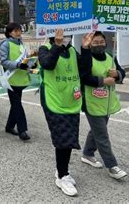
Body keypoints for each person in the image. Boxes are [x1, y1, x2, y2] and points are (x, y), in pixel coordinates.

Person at [38, 28, 94, 197]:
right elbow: (47, 64)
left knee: (69, 137)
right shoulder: (45, 48)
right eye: (62, 34)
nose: (65, 37)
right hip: (53, 100)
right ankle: (62, 176)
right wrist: (57, 45)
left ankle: (62, 171)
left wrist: (85, 49)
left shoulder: (71, 50)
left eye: (68, 34)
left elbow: (84, 70)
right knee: (62, 138)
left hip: (71, 100)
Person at [80, 31, 127, 180]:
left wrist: (117, 74)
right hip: (92, 102)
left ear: (105, 43)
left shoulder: (110, 56)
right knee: (102, 135)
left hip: (107, 102)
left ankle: (87, 153)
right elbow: (84, 77)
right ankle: (112, 166)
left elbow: (122, 73)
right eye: (95, 42)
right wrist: (103, 81)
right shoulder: (86, 57)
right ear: (90, 43)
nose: (99, 45)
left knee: (97, 131)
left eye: (101, 42)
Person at [0, 22, 32, 141]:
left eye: (20, 30)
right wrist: (18, 65)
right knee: (17, 105)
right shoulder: (5, 44)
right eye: (16, 30)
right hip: (10, 80)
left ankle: (9, 126)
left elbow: (26, 59)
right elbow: (4, 61)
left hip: (21, 79)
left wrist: (32, 62)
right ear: (9, 32)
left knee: (15, 105)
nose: (19, 32)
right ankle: (22, 130)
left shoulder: (21, 44)